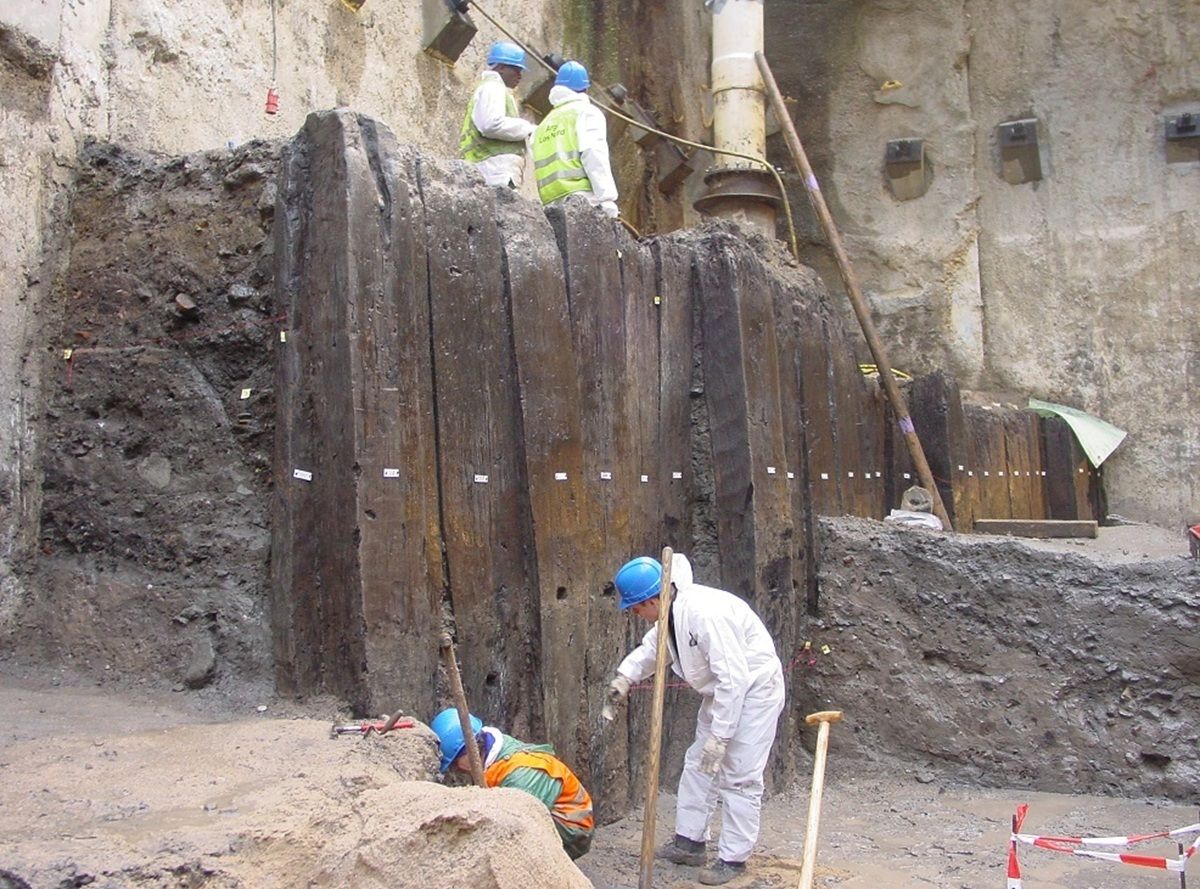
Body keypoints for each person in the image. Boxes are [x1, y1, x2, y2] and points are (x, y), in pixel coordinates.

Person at [605, 553, 785, 886]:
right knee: (699, 765)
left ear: (653, 599)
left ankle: (733, 858)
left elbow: (734, 678)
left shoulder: (705, 614)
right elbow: (652, 650)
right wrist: (625, 677)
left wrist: (721, 736)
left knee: (740, 776)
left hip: (753, 691)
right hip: (722, 694)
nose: (635, 615)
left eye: (636, 608)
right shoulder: (671, 613)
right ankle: (690, 842)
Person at [429, 707, 595, 860]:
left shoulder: (521, 775)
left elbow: (518, 825)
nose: (455, 769)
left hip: (572, 830)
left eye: (454, 763)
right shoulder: (489, 752)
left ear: (469, 751)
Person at [530, 60, 619, 218]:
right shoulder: (586, 112)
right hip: (583, 201)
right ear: (585, 88)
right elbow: (593, 154)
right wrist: (606, 199)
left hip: (550, 205)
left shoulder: (542, 126)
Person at [460, 41, 537, 188]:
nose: (520, 76)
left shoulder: (495, 89)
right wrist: (528, 129)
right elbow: (491, 124)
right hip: (493, 170)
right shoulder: (492, 87)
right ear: (501, 68)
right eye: (516, 70)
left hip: (491, 169)